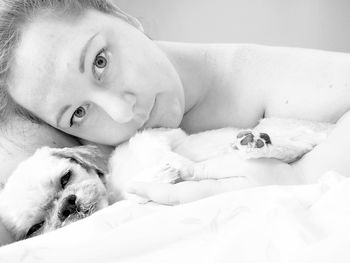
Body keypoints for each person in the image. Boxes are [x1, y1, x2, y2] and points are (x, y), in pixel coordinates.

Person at [2, 0, 350, 244]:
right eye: (78, 112)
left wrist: (301, 174)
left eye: (100, 62)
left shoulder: (262, 78)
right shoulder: (58, 153)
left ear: (123, 16)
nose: (123, 112)